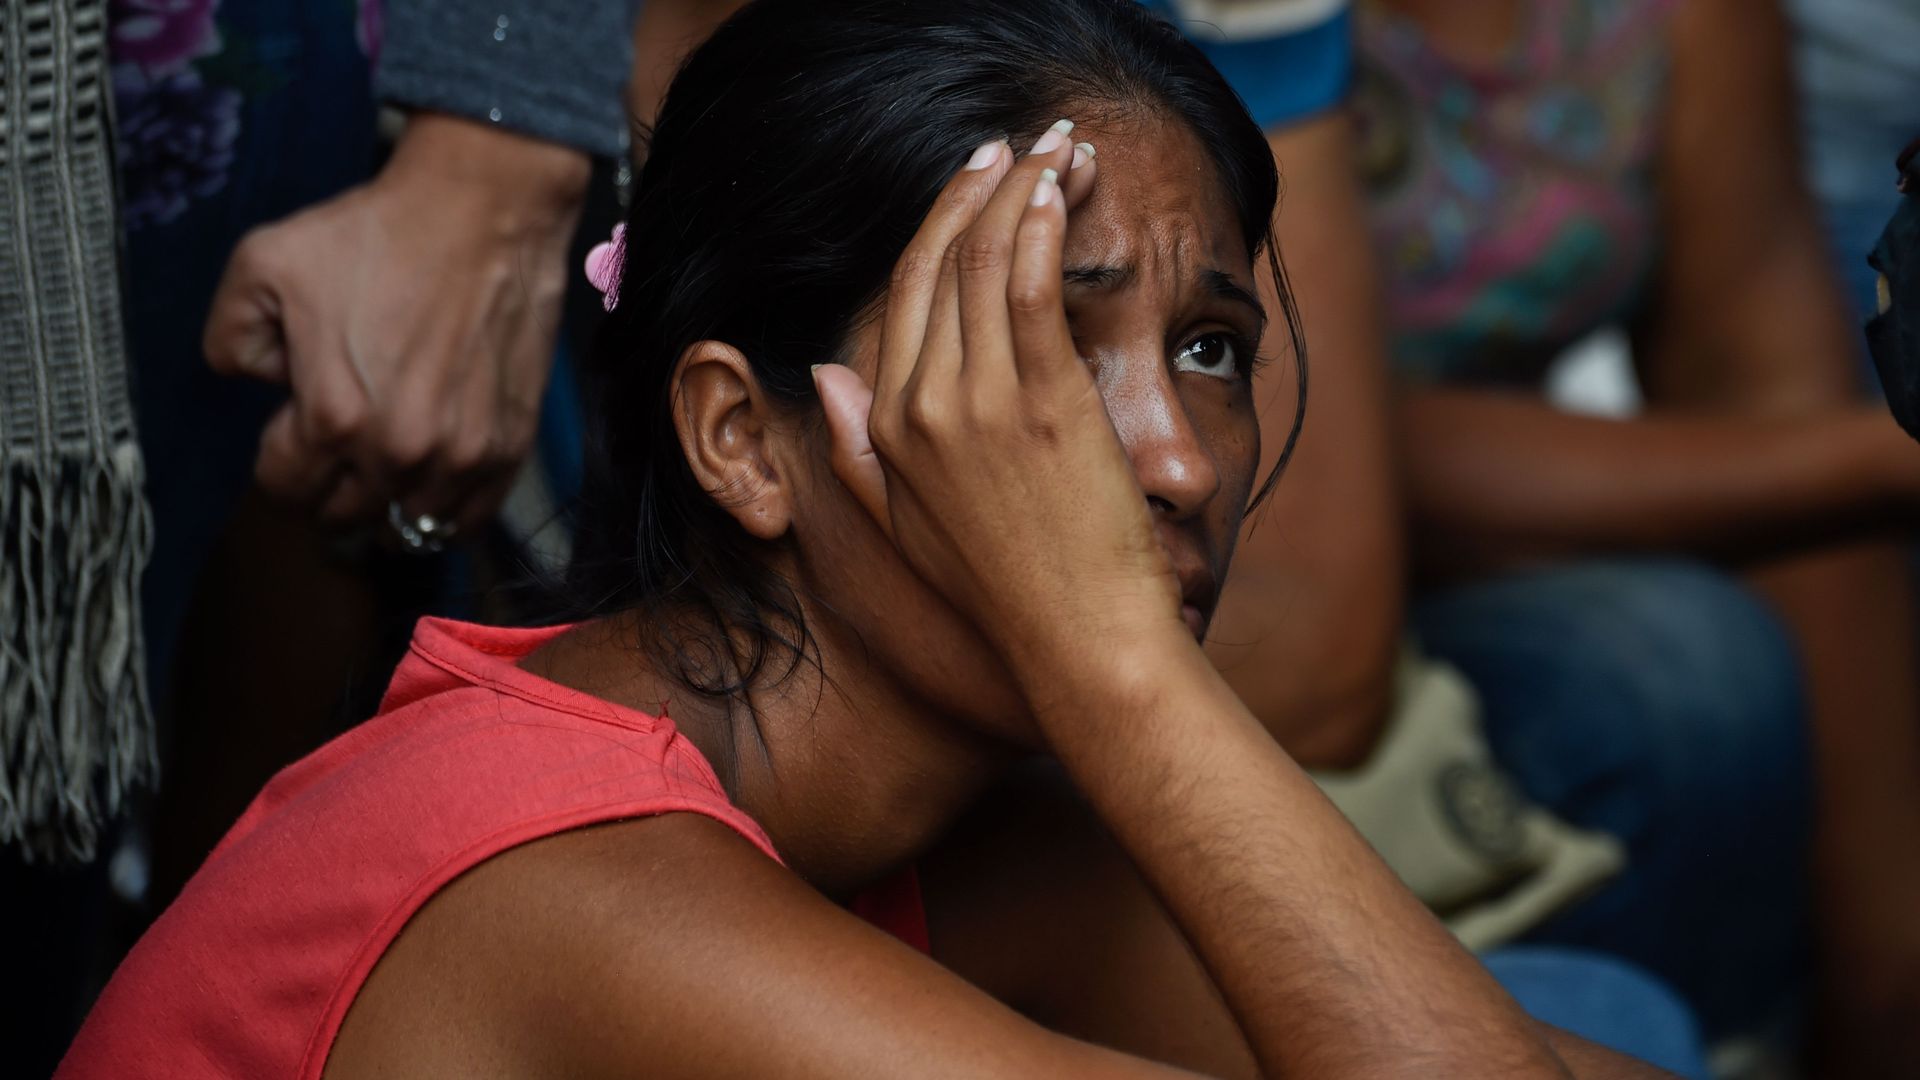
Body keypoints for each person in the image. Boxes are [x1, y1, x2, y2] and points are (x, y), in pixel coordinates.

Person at [59, 2, 1681, 1075]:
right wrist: (1119, 661)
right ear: (743, 439)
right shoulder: (575, 886)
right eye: (1040, 341)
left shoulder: (959, 839)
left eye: (1209, 347)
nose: (1180, 459)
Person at [1341, 0, 1920, 1068]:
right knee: (1677, 666)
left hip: (1498, 555)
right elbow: (1318, 446)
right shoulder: (1240, 26)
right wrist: (1892, 458)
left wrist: (1887, 988)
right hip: (1253, 579)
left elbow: (1766, 391)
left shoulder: (1674, 21)